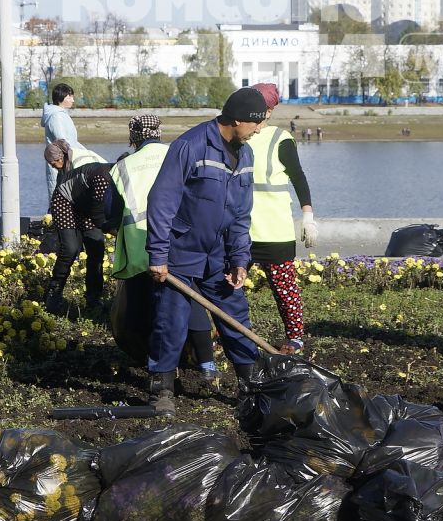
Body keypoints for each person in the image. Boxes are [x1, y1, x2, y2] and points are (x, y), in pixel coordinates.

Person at [142, 87, 265, 412]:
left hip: (220, 257)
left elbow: (241, 214)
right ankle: (161, 390)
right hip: (181, 254)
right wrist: (158, 255)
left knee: (236, 317)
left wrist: (239, 259)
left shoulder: (246, 155)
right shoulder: (190, 145)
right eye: (256, 123)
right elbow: (162, 201)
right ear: (237, 120)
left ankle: (250, 387)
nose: (259, 129)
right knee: (171, 322)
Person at [103, 113, 217, 381]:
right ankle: (207, 365)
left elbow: (110, 212)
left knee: (151, 311)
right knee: (190, 301)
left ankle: (160, 367)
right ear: (159, 132)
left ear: (133, 138)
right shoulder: (179, 154)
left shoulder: (122, 167)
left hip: (141, 250)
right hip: (181, 244)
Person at [241, 83, 318, 352]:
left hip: (273, 230)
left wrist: (307, 215)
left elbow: (298, 178)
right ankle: (230, 333)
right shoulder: (238, 134)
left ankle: (295, 337)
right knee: (230, 286)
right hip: (240, 230)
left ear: (270, 111)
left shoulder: (279, 139)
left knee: (284, 289)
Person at [42, 137, 112, 311]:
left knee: (96, 248)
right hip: (65, 200)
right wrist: (109, 227)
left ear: (60, 158)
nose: (54, 167)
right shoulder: (95, 173)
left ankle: (93, 299)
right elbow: (98, 212)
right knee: (70, 249)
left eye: (54, 164)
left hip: (85, 202)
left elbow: (100, 206)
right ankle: (53, 295)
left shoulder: (97, 169)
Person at [40, 82, 78, 195]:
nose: (72, 100)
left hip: (65, 163)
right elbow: (63, 142)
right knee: (59, 196)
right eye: (69, 96)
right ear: (61, 97)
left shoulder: (61, 114)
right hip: (59, 163)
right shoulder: (56, 116)